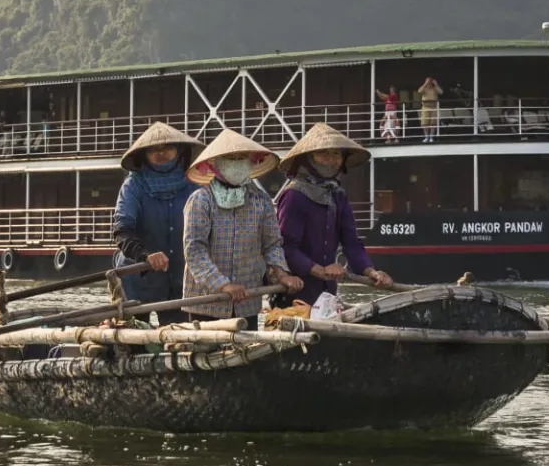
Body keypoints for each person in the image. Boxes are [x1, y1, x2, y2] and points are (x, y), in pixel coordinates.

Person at [182, 129, 302, 319]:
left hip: (248, 303)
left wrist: (282, 274)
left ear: (251, 161)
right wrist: (223, 284)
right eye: (230, 158)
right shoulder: (201, 200)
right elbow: (195, 251)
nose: (237, 163)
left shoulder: (261, 201)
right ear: (216, 163)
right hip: (206, 305)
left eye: (242, 158)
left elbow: (272, 245)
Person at [275, 123, 393, 313]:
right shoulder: (294, 195)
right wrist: (318, 269)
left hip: (327, 293)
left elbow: (351, 242)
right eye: (323, 154)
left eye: (336, 154)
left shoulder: (337, 194)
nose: (331, 160)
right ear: (309, 159)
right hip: (296, 292)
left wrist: (371, 272)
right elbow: (286, 247)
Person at [111, 122, 202, 322]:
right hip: (136, 277)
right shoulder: (133, 185)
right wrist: (145, 255)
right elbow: (122, 229)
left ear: (180, 152)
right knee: (132, 338)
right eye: (154, 150)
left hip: (180, 279)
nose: (161, 153)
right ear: (144, 155)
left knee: (177, 338)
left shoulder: (194, 185)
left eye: (168, 148)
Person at [416, 76, 442, 143]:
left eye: (430, 81)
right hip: (425, 107)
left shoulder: (435, 88)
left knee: (433, 123)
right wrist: (425, 84)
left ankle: (431, 137)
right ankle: (426, 136)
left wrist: (436, 84)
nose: (429, 82)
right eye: (428, 81)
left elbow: (441, 92)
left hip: (433, 107)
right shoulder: (424, 88)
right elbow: (419, 91)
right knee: (424, 123)